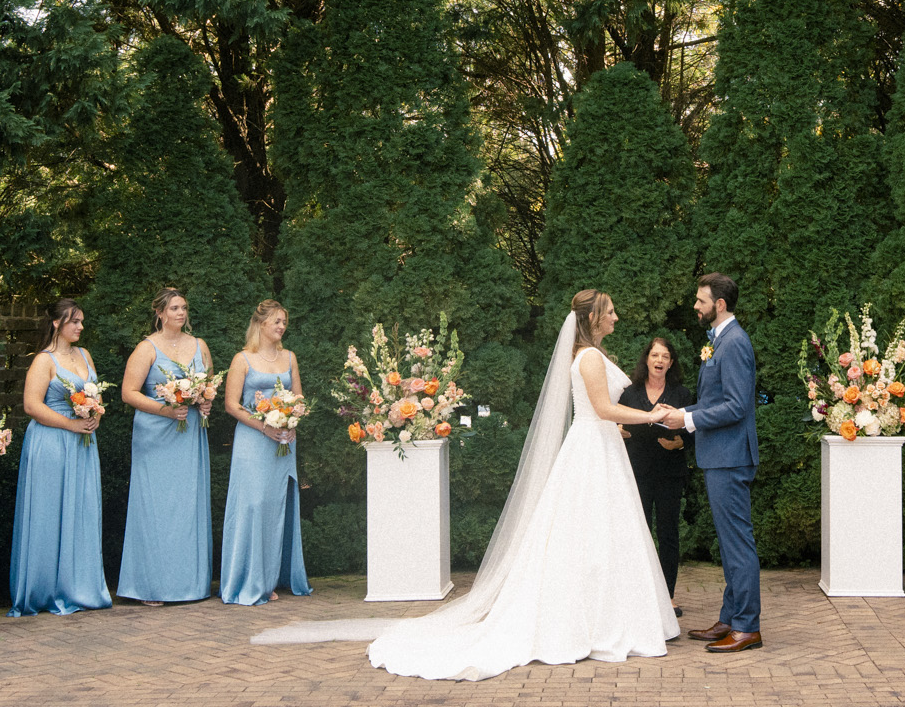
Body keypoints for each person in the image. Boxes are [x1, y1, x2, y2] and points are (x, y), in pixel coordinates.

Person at [252, 290, 682, 677]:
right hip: (592, 449)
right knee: (588, 536)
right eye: (611, 312)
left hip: (601, 447)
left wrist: (627, 428)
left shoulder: (591, 355)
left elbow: (598, 412)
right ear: (593, 318)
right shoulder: (587, 358)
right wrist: (650, 416)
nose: (616, 317)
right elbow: (602, 409)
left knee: (604, 537)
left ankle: (606, 615)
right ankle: (593, 621)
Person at [664, 273, 762, 651]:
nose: (695, 306)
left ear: (719, 305)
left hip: (730, 457)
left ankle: (748, 626)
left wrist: (687, 421)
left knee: (737, 543)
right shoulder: (719, 342)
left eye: (700, 301)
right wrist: (682, 411)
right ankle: (730, 618)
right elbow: (714, 401)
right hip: (720, 455)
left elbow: (737, 407)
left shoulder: (735, 343)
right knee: (729, 542)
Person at [7, 298, 111, 615]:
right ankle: (44, 590)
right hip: (51, 442)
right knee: (49, 511)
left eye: (81, 321)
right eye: (74, 321)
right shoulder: (44, 360)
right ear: (57, 323)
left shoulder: (85, 355)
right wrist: (71, 423)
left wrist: (95, 414)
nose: (80, 327)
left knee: (81, 510)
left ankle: (78, 585)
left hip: (83, 444)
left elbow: (97, 395)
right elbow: (31, 405)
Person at [118, 287, 215, 604]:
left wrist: (204, 403)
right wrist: (166, 409)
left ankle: (190, 584)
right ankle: (152, 586)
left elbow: (209, 386)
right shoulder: (147, 348)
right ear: (159, 313)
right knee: (157, 510)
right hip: (156, 436)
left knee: (187, 507)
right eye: (174, 308)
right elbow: (129, 392)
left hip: (188, 437)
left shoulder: (200, 346)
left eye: (184, 307)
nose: (181, 313)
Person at [220, 299, 311, 605]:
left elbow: (298, 397)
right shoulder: (243, 359)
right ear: (260, 324)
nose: (282, 326)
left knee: (276, 506)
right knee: (253, 505)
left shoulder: (289, 357)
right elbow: (231, 404)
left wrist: (293, 420)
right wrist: (264, 426)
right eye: (276, 321)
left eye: (284, 321)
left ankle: (270, 578)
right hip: (253, 439)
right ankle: (247, 579)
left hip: (284, 440)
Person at [622, 333, 691, 613]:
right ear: (647, 359)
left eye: (665, 356)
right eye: (655, 355)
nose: (659, 360)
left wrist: (681, 442)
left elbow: (693, 430)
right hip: (636, 471)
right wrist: (618, 430)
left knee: (668, 534)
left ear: (671, 362)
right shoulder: (630, 393)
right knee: (637, 533)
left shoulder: (681, 394)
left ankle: (667, 596)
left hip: (669, 473)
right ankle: (637, 595)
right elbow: (615, 419)